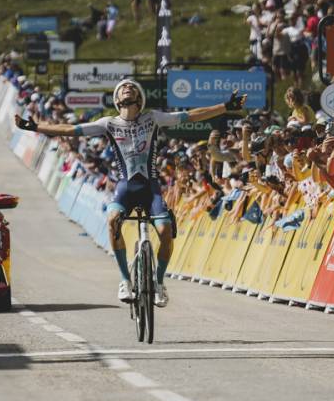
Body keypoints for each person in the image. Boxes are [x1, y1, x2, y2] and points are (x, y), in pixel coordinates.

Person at [15, 79, 244, 307]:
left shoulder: (153, 118)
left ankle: (159, 282)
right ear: (117, 99)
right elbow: (69, 130)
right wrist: (34, 127)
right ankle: (125, 280)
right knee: (113, 220)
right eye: (123, 87)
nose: (127, 88)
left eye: (132, 87)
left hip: (151, 188)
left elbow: (192, 115)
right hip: (125, 187)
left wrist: (225, 106)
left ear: (139, 98)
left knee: (165, 231)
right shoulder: (108, 123)